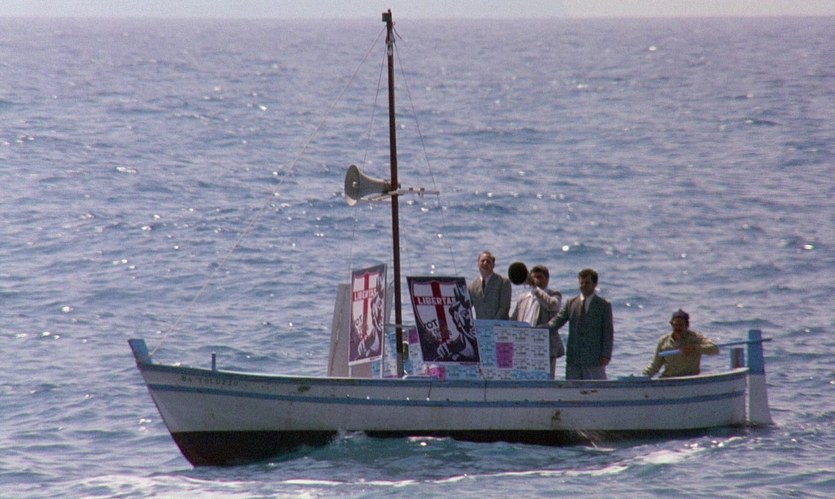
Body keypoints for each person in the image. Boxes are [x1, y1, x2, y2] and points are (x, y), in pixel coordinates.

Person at [547, 268, 614, 380]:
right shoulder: (571, 303)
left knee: (596, 389)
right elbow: (556, 322)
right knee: (572, 390)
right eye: (581, 283)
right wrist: (537, 330)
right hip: (574, 360)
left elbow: (608, 332)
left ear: (595, 284)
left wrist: (606, 355)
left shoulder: (603, 305)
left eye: (587, 283)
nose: (583, 286)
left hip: (594, 360)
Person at [511, 264, 563, 378]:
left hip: (545, 346)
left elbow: (551, 305)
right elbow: (514, 320)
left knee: (546, 380)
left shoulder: (554, 294)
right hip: (524, 345)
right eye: (533, 277)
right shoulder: (522, 298)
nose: (536, 279)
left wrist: (536, 289)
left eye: (539, 277)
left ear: (547, 279)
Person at [642, 309, 719, 378]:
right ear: (671, 324)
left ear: (687, 326)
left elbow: (715, 349)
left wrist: (695, 347)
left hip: (690, 380)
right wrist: (642, 378)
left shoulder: (695, 338)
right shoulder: (663, 341)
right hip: (668, 380)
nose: (678, 328)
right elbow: (655, 366)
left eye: (681, 325)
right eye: (675, 325)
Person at [467, 251, 512, 320]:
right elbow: (465, 307)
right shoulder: (472, 287)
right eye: (482, 261)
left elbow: (504, 308)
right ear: (478, 264)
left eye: (488, 261)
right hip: (480, 326)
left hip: (499, 325)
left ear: (493, 265)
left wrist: (493, 324)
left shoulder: (503, 282)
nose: (485, 263)